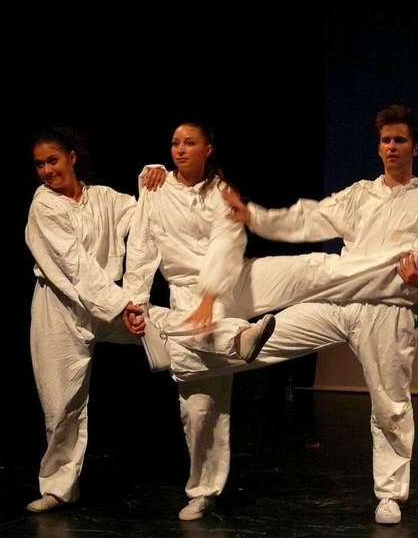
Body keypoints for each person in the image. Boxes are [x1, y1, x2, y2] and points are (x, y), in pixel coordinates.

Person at [221, 104, 418, 525]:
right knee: (267, 335)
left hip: (388, 311)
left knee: (390, 406)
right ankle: (192, 348)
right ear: (378, 147)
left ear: (415, 148)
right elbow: (310, 219)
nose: (392, 147)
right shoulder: (361, 195)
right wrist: (256, 217)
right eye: (386, 140)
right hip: (341, 299)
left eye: (400, 140)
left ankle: (389, 495)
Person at [121, 121, 278, 521]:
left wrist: (209, 297)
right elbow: (142, 245)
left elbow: (226, 247)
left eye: (189, 143)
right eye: (175, 142)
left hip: (218, 293)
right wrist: (136, 300)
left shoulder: (221, 193)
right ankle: (235, 339)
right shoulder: (156, 187)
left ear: (208, 149)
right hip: (180, 296)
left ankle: (205, 490)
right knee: (195, 407)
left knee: (211, 401)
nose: (180, 149)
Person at [24, 127, 166, 513]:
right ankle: (58, 488)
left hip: (108, 301)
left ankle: (230, 338)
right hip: (60, 306)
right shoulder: (44, 205)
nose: (46, 171)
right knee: (61, 403)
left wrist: (156, 179)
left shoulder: (103, 198)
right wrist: (124, 306)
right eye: (39, 164)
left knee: (164, 328)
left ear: (72, 157)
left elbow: (145, 216)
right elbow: (75, 267)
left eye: (52, 160)